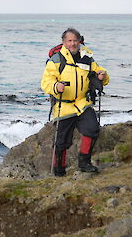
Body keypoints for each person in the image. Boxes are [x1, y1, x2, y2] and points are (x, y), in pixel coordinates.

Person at [41, 28, 109, 177]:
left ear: (80, 41)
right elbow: (46, 82)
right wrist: (55, 86)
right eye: (69, 41)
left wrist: (103, 75)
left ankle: (84, 163)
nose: (72, 43)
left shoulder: (87, 58)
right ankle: (59, 171)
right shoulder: (56, 60)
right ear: (64, 42)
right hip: (63, 106)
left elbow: (101, 72)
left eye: (75, 40)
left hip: (82, 103)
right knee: (61, 142)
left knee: (92, 130)